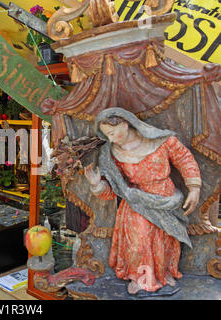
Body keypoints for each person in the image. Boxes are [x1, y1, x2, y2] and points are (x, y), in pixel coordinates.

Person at [83, 107, 201, 295]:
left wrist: (194, 188)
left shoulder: (162, 140)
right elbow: (115, 190)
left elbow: (184, 159)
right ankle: (140, 277)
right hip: (137, 202)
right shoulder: (112, 154)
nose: (112, 139)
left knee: (165, 240)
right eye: (108, 135)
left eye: (113, 133)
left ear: (125, 123)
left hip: (166, 198)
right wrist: (97, 185)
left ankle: (162, 274)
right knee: (139, 241)